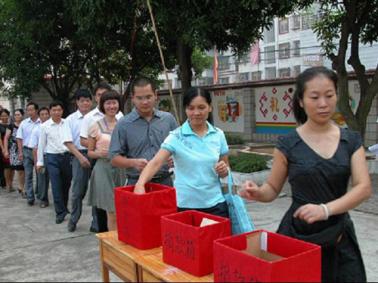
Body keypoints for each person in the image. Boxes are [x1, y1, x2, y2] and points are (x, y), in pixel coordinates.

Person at [239, 66, 372, 282]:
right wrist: (256, 192)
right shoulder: (288, 143)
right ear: (301, 100)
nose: (323, 103)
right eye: (314, 97)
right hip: (297, 234)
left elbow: (363, 187)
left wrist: (325, 210)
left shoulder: (351, 140)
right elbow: (272, 189)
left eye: (329, 95)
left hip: (338, 234)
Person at [133, 87, 230, 218]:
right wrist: (140, 184)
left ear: (210, 107)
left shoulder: (218, 135)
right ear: (185, 109)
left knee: (214, 238)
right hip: (185, 206)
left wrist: (224, 170)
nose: (196, 113)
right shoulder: (176, 136)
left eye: (201, 107)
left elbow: (226, 167)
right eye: (191, 108)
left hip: (216, 205)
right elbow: (156, 162)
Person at [110, 77, 178, 187]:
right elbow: (113, 158)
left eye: (148, 97)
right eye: (139, 98)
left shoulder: (168, 119)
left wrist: (175, 158)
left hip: (165, 182)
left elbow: (181, 148)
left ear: (155, 95)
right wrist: (133, 163)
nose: (145, 102)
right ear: (132, 98)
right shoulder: (123, 124)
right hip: (136, 182)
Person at [80, 82, 123, 233]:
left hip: (121, 169)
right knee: (111, 209)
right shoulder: (95, 125)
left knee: (122, 207)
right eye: (108, 103)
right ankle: (113, 242)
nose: (112, 106)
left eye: (114, 103)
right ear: (103, 105)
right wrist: (100, 154)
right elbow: (90, 152)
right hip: (103, 169)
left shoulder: (124, 124)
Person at [36, 101, 72, 224]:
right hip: (52, 158)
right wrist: (40, 162)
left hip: (66, 157)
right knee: (56, 185)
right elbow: (41, 145)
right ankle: (60, 212)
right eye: (54, 110)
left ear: (62, 111)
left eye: (59, 110)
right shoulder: (44, 126)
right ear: (50, 112)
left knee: (66, 184)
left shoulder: (67, 123)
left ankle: (64, 207)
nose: (56, 112)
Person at [63, 89, 93, 232]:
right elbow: (68, 142)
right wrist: (80, 157)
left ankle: (97, 222)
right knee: (78, 191)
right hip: (78, 155)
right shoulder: (70, 120)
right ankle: (73, 220)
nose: (85, 103)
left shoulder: (97, 117)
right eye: (82, 100)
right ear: (77, 102)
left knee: (98, 190)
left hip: (96, 154)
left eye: (88, 100)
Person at [16, 102, 40, 206]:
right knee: (28, 175)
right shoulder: (24, 123)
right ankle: (30, 197)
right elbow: (19, 139)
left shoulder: (42, 122)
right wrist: (20, 152)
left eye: (31, 109)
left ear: (36, 110)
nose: (29, 112)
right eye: (28, 110)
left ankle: (40, 193)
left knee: (40, 174)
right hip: (26, 151)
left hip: (38, 151)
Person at [29, 107, 51, 206]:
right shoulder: (36, 130)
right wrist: (36, 162)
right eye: (42, 114)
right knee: (42, 179)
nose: (45, 116)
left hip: (54, 156)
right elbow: (34, 148)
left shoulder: (54, 126)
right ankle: (43, 199)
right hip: (43, 157)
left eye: (46, 114)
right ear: (39, 116)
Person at [3, 109, 25, 195]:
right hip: (14, 150)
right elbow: (6, 138)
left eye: (18, 114)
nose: (17, 116)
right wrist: (5, 150)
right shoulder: (11, 126)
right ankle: (21, 187)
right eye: (15, 115)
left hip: (25, 149)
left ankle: (21, 186)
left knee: (23, 170)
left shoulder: (25, 124)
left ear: (22, 115)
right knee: (19, 169)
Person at [0, 108, 13, 192]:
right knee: (5, 167)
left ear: (8, 116)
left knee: (12, 167)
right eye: (2, 116)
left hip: (11, 148)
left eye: (6, 115)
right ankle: (6, 184)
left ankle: (9, 184)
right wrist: (3, 149)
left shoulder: (11, 125)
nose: (4, 117)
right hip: (2, 148)